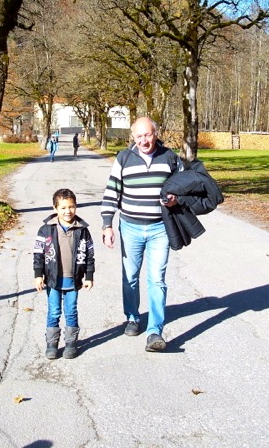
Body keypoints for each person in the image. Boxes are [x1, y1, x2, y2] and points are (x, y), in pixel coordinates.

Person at [101, 117, 183, 352]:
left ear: (156, 133)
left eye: (147, 135)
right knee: (131, 277)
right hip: (130, 227)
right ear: (133, 137)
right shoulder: (124, 158)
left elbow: (184, 186)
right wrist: (107, 224)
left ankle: (155, 330)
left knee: (157, 279)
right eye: (139, 136)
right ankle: (132, 318)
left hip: (160, 228)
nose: (144, 141)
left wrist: (176, 199)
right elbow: (111, 192)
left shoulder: (170, 157)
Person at [33, 188, 95, 359]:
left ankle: (70, 343)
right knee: (53, 311)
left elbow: (90, 254)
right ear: (55, 208)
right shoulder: (46, 230)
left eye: (72, 207)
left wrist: (88, 276)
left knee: (71, 311)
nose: (68, 211)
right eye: (63, 207)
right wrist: (38, 275)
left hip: (73, 279)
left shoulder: (82, 230)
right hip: (53, 280)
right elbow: (38, 254)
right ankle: (52, 344)